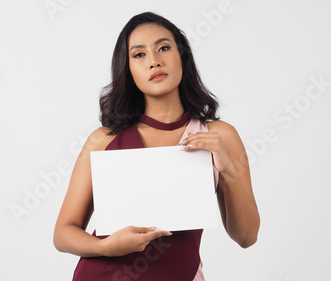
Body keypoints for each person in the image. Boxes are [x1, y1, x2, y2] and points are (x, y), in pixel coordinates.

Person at [53, 11, 260, 281]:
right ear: (128, 70)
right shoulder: (103, 139)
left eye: (164, 48)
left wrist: (229, 171)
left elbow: (247, 237)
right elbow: (63, 233)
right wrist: (106, 246)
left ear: (182, 57)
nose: (154, 61)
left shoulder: (219, 136)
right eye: (139, 54)